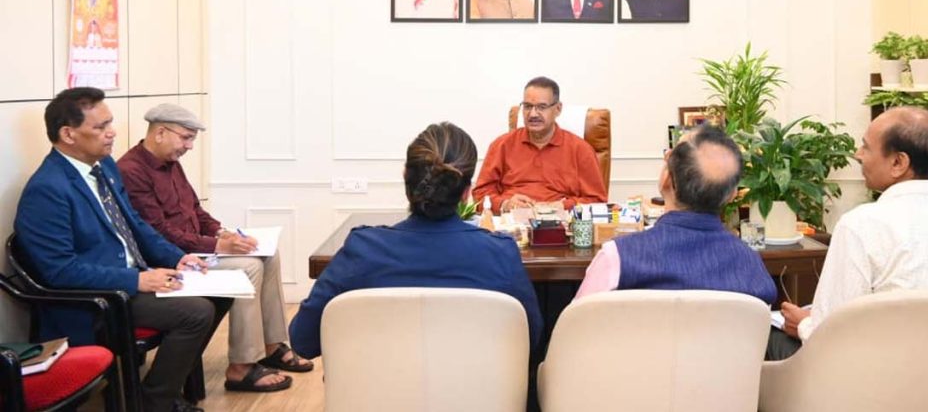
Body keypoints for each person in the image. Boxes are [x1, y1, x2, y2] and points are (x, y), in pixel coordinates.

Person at [15, 88, 226, 412]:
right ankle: (154, 402)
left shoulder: (104, 167)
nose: (112, 132)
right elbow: (59, 270)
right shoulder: (48, 188)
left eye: (110, 123)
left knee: (221, 292)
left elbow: (136, 224)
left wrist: (177, 256)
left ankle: (160, 391)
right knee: (196, 312)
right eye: (101, 127)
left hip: (132, 277)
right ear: (68, 134)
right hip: (100, 297)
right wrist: (137, 281)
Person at [768, 107, 928, 360]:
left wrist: (804, 324)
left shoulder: (860, 225)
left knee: (770, 334)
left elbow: (830, 339)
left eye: (866, 147)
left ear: (898, 163)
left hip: (877, 381)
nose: (858, 154)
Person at [288, 121, 542, 358]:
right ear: (466, 193)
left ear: (405, 177)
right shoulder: (500, 254)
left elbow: (303, 340)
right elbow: (530, 339)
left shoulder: (362, 251)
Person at [117, 103, 312, 393]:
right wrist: (219, 245)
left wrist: (222, 232)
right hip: (172, 259)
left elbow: (195, 210)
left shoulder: (171, 163)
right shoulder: (131, 171)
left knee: (267, 254)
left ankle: (271, 345)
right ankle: (242, 366)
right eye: (186, 138)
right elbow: (158, 232)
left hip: (197, 251)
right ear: (159, 133)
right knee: (248, 267)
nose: (190, 146)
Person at [575, 125, 776, 302]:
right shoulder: (751, 265)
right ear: (732, 195)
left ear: (667, 180)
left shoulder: (617, 257)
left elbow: (578, 325)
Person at [472, 77, 607, 213]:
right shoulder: (502, 145)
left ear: (558, 109)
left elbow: (597, 201)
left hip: (561, 221)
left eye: (541, 107)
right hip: (511, 221)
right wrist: (505, 204)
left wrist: (564, 206)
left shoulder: (580, 149)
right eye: (527, 106)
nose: (533, 114)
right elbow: (480, 195)